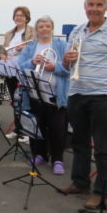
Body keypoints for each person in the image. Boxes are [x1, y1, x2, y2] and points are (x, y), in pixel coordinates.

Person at [61, 0, 107, 210]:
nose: (94, 9)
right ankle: (80, 182)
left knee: (101, 146)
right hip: (77, 92)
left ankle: (101, 192)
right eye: (91, 4)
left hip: (101, 96)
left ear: (106, 7)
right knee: (79, 142)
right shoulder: (77, 31)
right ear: (85, 6)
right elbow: (65, 65)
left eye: (99, 5)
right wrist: (66, 59)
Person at [17, 16, 70, 175]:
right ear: (37, 29)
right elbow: (21, 66)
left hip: (56, 95)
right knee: (37, 126)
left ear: (52, 28)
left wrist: (55, 67)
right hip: (35, 93)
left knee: (57, 129)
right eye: (41, 26)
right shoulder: (31, 46)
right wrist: (33, 62)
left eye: (47, 26)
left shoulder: (62, 45)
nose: (44, 29)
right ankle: (39, 155)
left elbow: (70, 69)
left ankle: (57, 159)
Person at [0, 6, 35, 141]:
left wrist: (25, 47)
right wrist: (2, 56)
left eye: (21, 15)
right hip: (10, 69)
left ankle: (28, 131)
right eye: (16, 15)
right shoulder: (9, 33)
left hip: (24, 70)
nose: (18, 18)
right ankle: (17, 129)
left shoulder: (32, 32)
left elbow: (37, 46)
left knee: (26, 101)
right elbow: (3, 49)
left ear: (27, 18)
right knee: (15, 101)